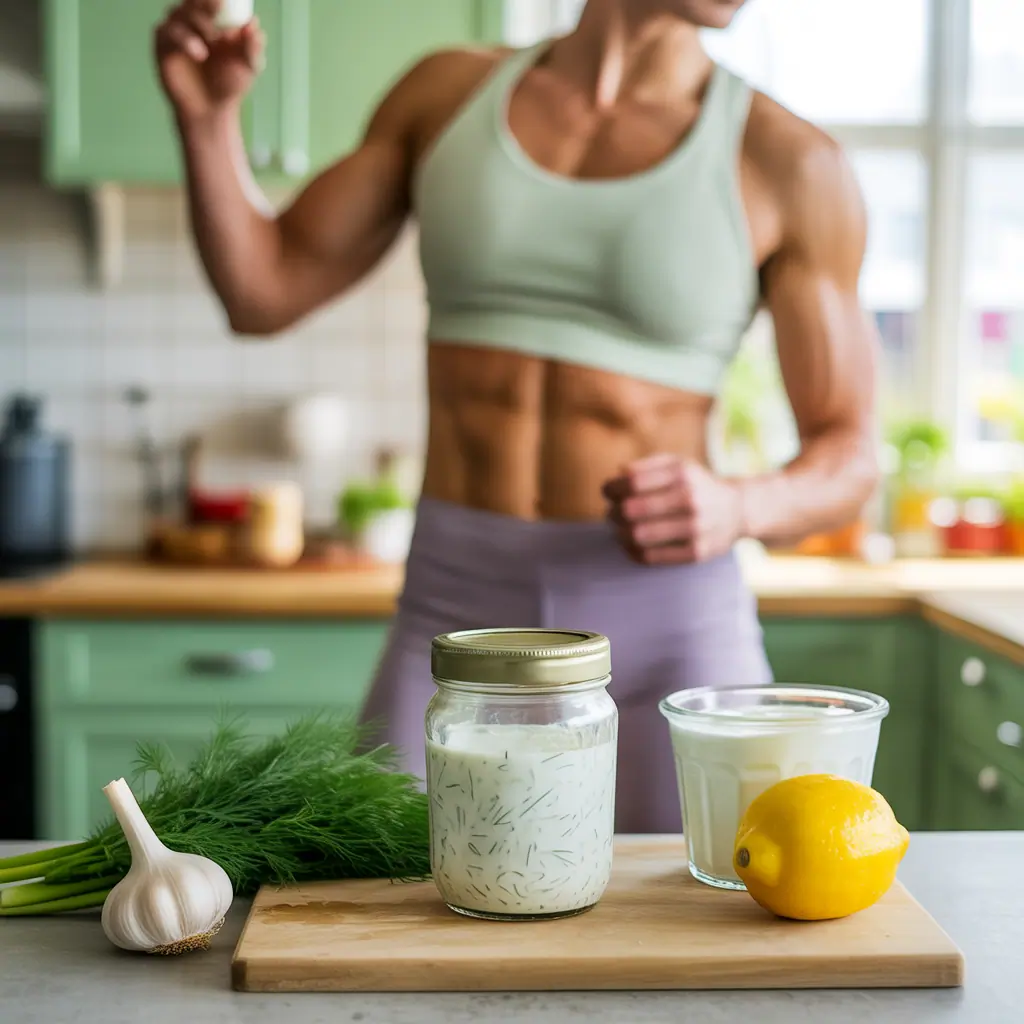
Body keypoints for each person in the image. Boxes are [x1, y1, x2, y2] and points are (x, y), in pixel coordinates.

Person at [155, 0, 879, 833]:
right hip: (453, 616)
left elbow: (851, 454)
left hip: (667, 631)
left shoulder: (790, 161)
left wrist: (741, 505)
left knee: (700, 922)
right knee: (381, 908)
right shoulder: (447, 96)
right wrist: (209, 120)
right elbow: (263, 290)